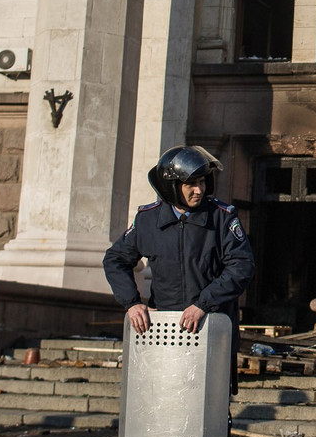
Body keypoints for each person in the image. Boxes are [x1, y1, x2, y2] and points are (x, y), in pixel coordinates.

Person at [103, 145, 256, 395]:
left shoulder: (222, 217)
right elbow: (115, 259)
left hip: (209, 325)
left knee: (209, 402)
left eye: (203, 182)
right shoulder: (147, 219)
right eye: (191, 184)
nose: (199, 190)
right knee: (164, 398)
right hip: (165, 329)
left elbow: (242, 266)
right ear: (172, 186)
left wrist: (203, 304)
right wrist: (131, 303)